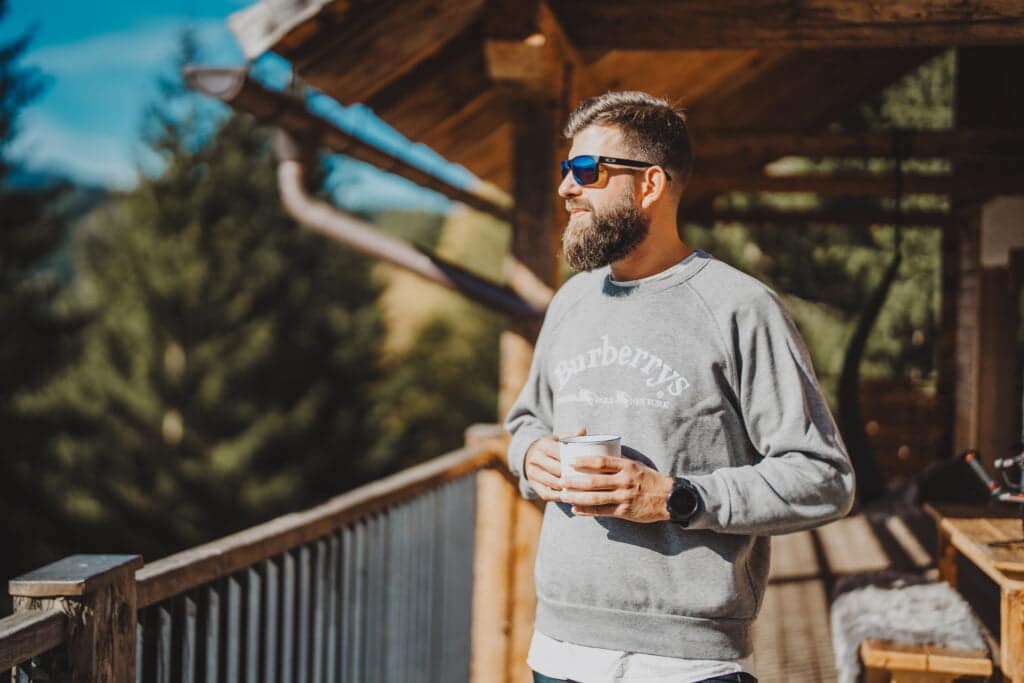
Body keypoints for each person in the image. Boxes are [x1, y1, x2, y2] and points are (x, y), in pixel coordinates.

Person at [504, 91, 856, 683]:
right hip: (557, 650)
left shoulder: (741, 308)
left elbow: (824, 478)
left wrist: (677, 497)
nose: (567, 187)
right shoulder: (570, 302)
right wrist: (531, 456)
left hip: (688, 664)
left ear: (650, 185)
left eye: (587, 170)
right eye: (565, 170)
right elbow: (523, 424)